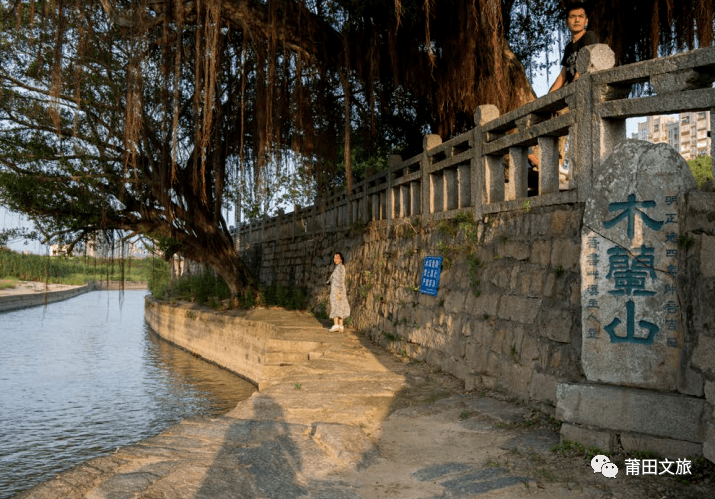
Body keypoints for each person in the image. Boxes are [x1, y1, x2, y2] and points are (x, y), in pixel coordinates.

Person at [549, 1, 598, 92]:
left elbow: (585, 63)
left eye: (580, 16)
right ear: (567, 22)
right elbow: (563, 75)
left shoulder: (589, 37)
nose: (577, 20)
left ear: (586, 21)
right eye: (572, 17)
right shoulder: (568, 47)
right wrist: (548, 96)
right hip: (575, 91)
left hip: (587, 90)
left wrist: (574, 86)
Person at [328, 252, 350, 332]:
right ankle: (341, 325)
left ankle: (336, 324)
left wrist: (339, 292)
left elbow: (341, 280)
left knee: (335, 306)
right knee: (340, 306)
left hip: (337, 291)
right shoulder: (339, 267)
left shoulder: (340, 268)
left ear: (341, 259)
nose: (336, 260)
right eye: (334, 258)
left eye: (337, 258)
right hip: (339, 290)